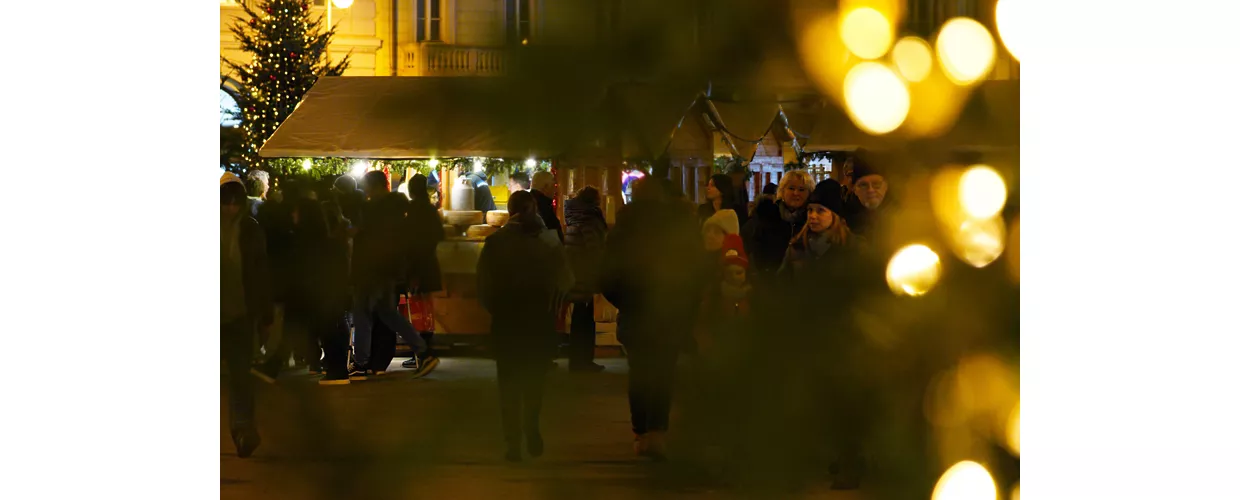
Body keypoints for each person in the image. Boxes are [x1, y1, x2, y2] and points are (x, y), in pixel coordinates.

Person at [600, 176, 704, 460]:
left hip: (635, 313)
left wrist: (626, 301)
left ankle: (641, 431)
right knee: (663, 373)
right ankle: (658, 431)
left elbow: (607, 276)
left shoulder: (624, 228)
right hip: (670, 312)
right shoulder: (681, 226)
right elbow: (696, 273)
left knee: (639, 372)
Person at [477, 190, 574, 462]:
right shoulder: (549, 242)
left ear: (509, 212)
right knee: (535, 381)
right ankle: (531, 425)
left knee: (507, 385)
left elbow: (483, 286)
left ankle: (512, 443)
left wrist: (496, 309)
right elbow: (566, 280)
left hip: (507, 320)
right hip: (539, 321)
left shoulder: (495, 243)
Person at [350, 171, 440, 379]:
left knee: (362, 311)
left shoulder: (372, 209)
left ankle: (361, 362)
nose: (366, 191)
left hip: (372, 269)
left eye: (367, 186)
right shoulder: (399, 208)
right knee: (387, 312)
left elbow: (364, 235)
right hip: (390, 268)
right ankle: (424, 352)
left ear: (376, 186)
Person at [220, 172, 272, 458]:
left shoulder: (251, 229)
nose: (230, 208)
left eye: (234, 202)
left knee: (241, 376)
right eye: (224, 202)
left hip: (240, 314)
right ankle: (241, 429)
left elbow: (260, 274)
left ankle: (243, 430)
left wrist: (264, 314)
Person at [285, 197, 353, 385]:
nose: (293, 215)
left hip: (320, 296)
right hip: (331, 295)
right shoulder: (331, 242)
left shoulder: (304, 244)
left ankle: (334, 370)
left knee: (327, 330)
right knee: (332, 329)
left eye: (296, 212)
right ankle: (335, 368)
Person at [400, 173, 446, 369]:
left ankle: (422, 352)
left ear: (411, 191)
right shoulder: (430, 209)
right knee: (426, 310)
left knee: (417, 310)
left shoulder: (413, 211)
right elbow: (440, 234)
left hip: (418, 267)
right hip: (429, 263)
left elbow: (411, 242)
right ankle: (425, 349)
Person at [740, 170, 812, 289]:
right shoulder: (765, 215)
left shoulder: (813, 220)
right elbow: (749, 247)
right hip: (768, 285)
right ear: (782, 191)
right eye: (791, 188)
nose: (796, 193)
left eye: (801, 189)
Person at [563, 186, 608, 372]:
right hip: (585, 275)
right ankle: (583, 361)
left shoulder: (574, 217)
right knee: (585, 319)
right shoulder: (589, 220)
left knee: (579, 318)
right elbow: (594, 249)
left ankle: (577, 359)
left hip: (575, 274)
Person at [842, 154, 890, 239]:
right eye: (863, 185)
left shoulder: (904, 216)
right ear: (854, 189)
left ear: (886, 186)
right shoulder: (843, 222)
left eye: (876, 184)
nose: (870, 190)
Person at [530, 171, 563, 242]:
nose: (556, 190)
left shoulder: (528, 204)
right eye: (553, 186)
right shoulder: (543, 208)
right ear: (546, 187)